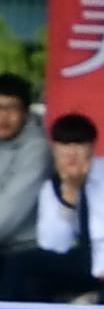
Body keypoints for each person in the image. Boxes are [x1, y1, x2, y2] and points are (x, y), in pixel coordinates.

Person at [6, 115, 104, 304]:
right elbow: (54, 245)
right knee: (19, 266)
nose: (71, 153)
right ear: (55, 149)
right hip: (89, 260)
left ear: (91, 147)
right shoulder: (52, 186)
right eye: (64, 145)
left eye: (79, 145)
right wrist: (69, 197)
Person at [0, 74, 48, 270]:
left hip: (24, 249)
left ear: (26, 113)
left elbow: (9, 209)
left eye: (12, 108)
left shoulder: (37, 149)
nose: (4, 116)